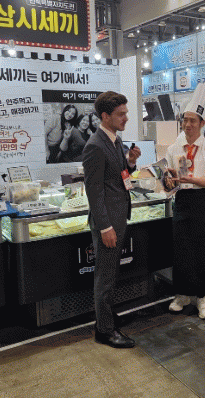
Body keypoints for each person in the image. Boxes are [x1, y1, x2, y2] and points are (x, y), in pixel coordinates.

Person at [81, 91, 141, 349]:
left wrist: (131, 162)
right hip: (108, 222)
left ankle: (107, 318)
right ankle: (104, 330)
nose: (126, 118)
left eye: (126, 113)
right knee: (105, 277)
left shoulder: (115, 140)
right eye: (121, 114)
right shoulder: (95, 146)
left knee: (111, 273)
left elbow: (119, 175)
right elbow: (94, 191)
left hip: (118, 217)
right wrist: (105, 226)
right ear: (105, 116)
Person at [166, 83, 205, 320]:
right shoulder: (174, 148)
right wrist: (169, 180)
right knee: (181, 248)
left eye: (193, 120)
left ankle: (203, 297)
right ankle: (182, 294)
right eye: (185, 120)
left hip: (202, 201)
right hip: (181, 200)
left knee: (202, 248)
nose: (188, 124)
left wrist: (191, 179)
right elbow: (171, 179)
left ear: (202, 123)